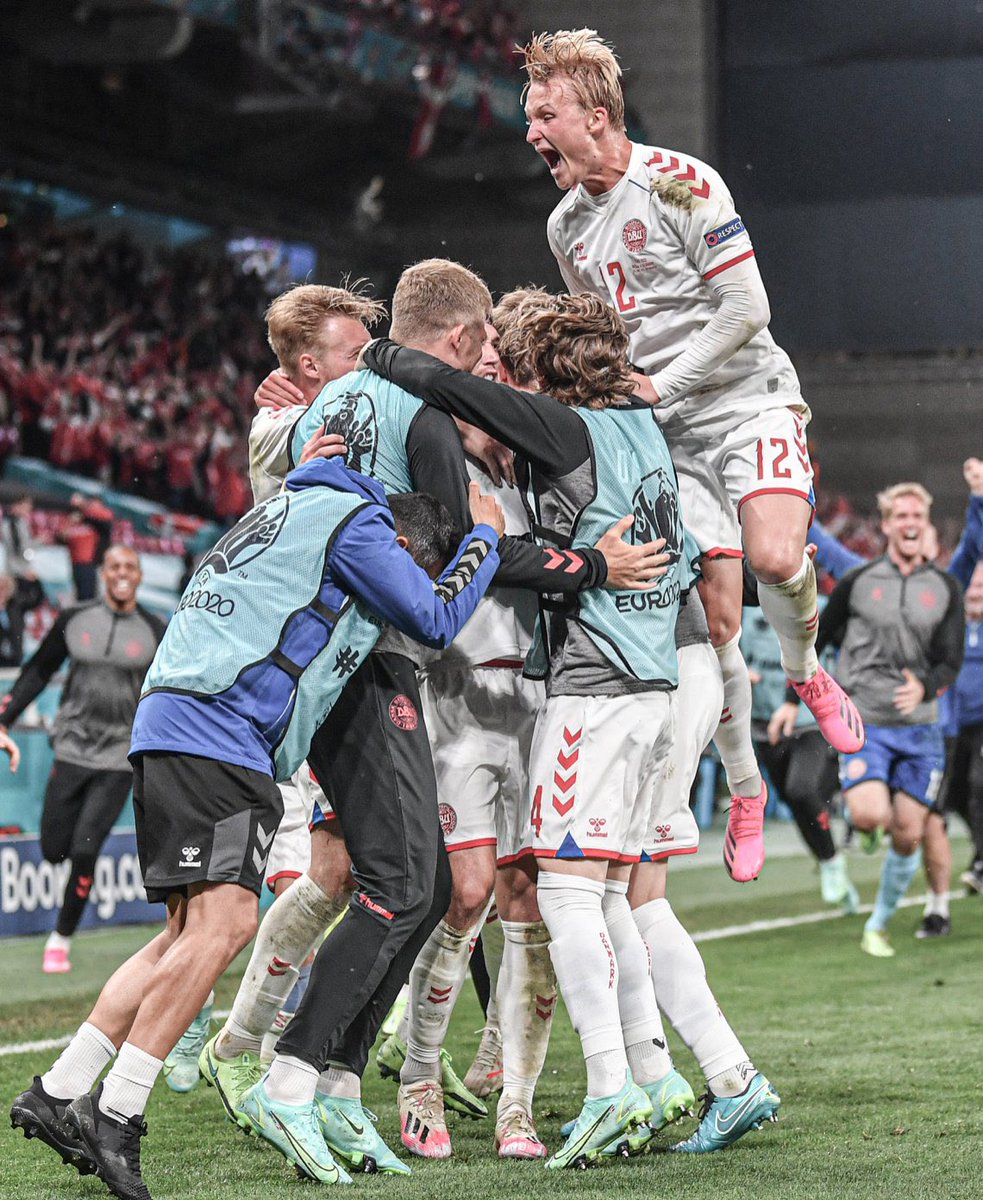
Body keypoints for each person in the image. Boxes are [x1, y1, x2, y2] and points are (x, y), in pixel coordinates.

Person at [204, 260, 667, 1178]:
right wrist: (582, 569)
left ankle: (336, 1084)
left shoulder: (504, 437)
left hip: (483, 685)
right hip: (390, 670)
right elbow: (460, 546)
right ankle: (260, 1056)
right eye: (484, 343)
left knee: (426, 888)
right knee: (393, 883)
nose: (492, 360)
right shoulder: (387, 415)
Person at [10, 456, 506, 1198]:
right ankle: (116, 1112)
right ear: (404, 552)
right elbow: (431, 615)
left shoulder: (295, 506)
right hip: (219, 732)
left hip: (170, 721)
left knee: (183, 933)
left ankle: (58, 1089)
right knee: (225, 923)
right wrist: (487, 542)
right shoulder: (363, 528)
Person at [518, 28, 864, 886]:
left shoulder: (679, 184)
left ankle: (808, 674)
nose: (529, 132)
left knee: (779, 558)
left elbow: (747, 306)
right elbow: (603, 338)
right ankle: (746, 790)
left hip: (745, 402)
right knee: (710, 624)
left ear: (596, 117)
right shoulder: (565, 226)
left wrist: (660, 390)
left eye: (543, 114)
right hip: (666, 434)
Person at [361, 291, 690, 1169]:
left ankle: (514, 1097)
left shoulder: (544, 459)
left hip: (545, 697)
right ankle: (419, 1075)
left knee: (532, 906)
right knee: (466, 895)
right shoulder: (441, 449)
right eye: (491, 374)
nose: (499, 385)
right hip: (463, 696)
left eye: (511, 373)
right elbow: (479, 549)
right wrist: (587, 564)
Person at [771, 484, 965, 957]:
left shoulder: (944, 588)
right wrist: (791, 701)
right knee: (870, 814)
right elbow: (814, 640)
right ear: (887, 524)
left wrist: (926, 684)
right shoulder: (859, 581)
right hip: (865, 723)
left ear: (927, 522)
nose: (910, 522)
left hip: (920, 729)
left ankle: (877, 923)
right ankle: (864, 824)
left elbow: (950, 658)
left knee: (909, 834)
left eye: (917, 514)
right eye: (900, 514)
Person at [0, 546, 164, 973]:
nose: (122, 573)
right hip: (71, 749)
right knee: (54, 849)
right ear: (103, 573)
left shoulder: (154, 630)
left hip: (117, 759)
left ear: (140, 576)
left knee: (86, 846)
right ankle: (61, 910)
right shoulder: (75, 620)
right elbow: (38, 669)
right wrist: (5, 719)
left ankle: (60, 938)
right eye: (114, 567)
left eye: (130, 566)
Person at [741, 605, 859, 912]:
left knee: (802, 789)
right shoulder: (743, 611)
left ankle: (837, 851)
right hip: (766, 726)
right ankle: (832, 865)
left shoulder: (817, 605)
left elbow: (851, 647)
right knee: (796, 806)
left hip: (811, 724)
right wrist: (736, 669)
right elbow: (723, 647)